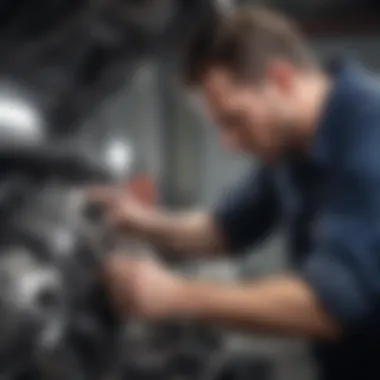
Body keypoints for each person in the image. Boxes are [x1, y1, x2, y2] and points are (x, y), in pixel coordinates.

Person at [94, 7, 380, 380]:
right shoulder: (292, 145)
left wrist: (177, 295)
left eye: (234, 119)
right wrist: (138, 221)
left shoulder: (369, 139)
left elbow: (330, 307)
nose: (228, 144)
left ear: (281, 80)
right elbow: (222, 229)